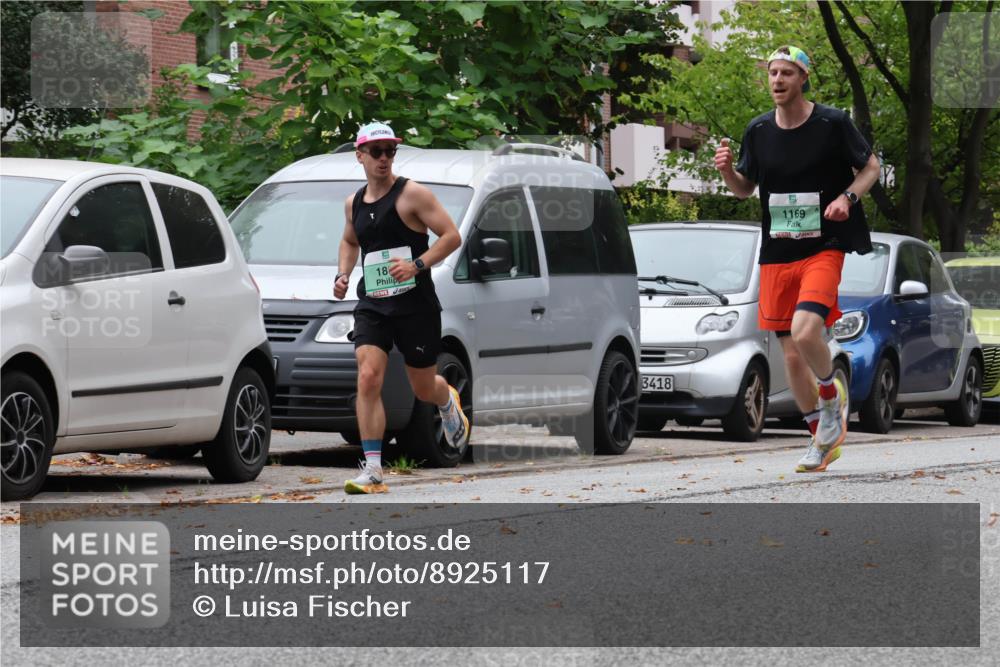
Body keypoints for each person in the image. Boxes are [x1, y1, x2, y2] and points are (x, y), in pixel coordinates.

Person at [714, 46, 881, 472]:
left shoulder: (832, 123)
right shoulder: (758, 130)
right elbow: (744, 189)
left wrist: (848, 197)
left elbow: (871, 168)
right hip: (777, 252)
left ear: (803, 78)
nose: (778, 80)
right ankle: (821, 441)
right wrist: (727, 172)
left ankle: (830, 394)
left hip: (823, 246)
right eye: (772, 72)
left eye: (787, 72)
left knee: (807, 333)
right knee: (790, 356)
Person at [334, 121, 469, 494]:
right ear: (359, 155)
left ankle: (447, 399)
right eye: (375, 152)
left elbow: (452, 235)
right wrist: (343, 274)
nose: (383, 158)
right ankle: (373, 469)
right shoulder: (354, 203)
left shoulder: (412, 195)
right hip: (373, 303)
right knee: (368, 376)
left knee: (423, 387)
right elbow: (349, 241)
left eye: (390, 151)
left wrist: (417, 265)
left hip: (415, 305)